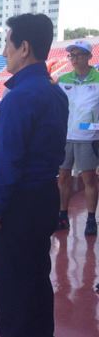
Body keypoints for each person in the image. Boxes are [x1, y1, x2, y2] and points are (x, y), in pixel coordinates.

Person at [0, 13, 68, 337]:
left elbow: (8, 161)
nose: (4, 52)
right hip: (44, 196)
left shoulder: (19, 98)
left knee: (13, 280)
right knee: (35, 275)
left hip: (18, 204)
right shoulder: (54, 93)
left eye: (8, 44)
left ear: (24, 48)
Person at [55, 40, 99, 235]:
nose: (74, 58)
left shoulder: (98, 79)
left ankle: (91, 219)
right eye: (71, 55)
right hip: (65, 137)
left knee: (88, 178)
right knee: (63, 177)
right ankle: (62, 216)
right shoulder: (63, 80)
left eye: (79, 55)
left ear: (89, 57)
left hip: (88, 137)